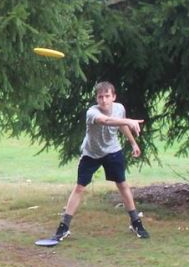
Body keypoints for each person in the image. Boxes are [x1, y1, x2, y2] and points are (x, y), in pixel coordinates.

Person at [50, 81, 150, 241]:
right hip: (91, 154)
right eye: (100, 97)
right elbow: (107, 121)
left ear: (113, 97)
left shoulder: (119, 108)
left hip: (112, 151)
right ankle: (64, 227)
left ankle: (135, 222)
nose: (103, 100)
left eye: (107, 96)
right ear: (97, 99)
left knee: (123, 185)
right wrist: (129, 121)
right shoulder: (92, 112)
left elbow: (121, 125)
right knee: (79, 188)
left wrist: (133, 142)